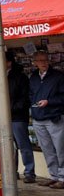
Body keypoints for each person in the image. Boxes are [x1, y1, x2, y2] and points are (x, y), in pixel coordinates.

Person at [29, 50, 64, 188]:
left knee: (60, 149)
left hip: (54, 117)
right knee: (47, 149)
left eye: (45, 60)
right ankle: (53, 176)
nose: (43, 63)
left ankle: (62, 177)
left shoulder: (58, 76)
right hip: (38, 118)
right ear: (35, 63)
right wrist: (34, 102)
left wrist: (48, 102)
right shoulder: (33, 77)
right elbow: (30, 94)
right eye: (40, 60)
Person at [3, 54, 36, 184]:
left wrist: (10, 109)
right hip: (4, 118)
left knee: (23, 145)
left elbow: (24, 98)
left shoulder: (20, 77)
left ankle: (29, 173)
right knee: (8, 146)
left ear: (9, 62)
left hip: (18, 117)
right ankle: (12, 171)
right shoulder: (0, 76)